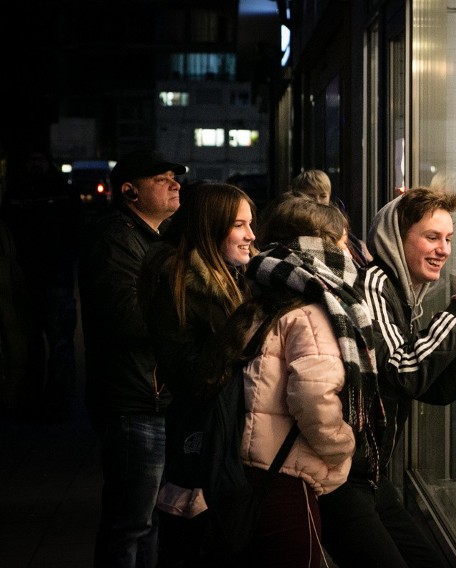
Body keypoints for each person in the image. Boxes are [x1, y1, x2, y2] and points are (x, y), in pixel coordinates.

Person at [318, 185, 456, 567]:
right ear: (397, 240)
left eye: (448, 239)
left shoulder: (402, 293)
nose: (444, 249)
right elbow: (405, 371)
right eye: (431, 237)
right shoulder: (374, 285)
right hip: (344, 480)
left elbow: (437, 389)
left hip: (372, 478)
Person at [205, 192, 379, 566]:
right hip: (287, 479)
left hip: (252, 467)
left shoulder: (264, 299)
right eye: (341, 240)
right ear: (320, 247)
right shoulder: (314, 310)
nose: (348, 251)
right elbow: (314, 398)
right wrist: (342, 445)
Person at [77, 149, 186, 568]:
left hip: (149, 395)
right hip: (133, 399)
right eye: (162, 179)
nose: (176, 184)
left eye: (175, 177)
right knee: (131, 523)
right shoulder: (116, 238)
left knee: (148, 519)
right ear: (130, 192)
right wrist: (185, 310)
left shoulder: (148, 238)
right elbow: (125, 316)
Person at [138, 181, 256, 566]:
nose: (251, 236)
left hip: (223, 436)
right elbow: (191, 375)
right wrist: (245, 328)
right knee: (195, 545)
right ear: (211, 226)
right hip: (198, 438)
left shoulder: (233, 276)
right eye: (240, 225)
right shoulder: (177, 280)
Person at [0, 148, 82, 420]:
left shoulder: (45, 193)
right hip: (31, 279)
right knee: (35, 344)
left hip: (51, 278)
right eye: (32, 159)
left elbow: (75, 230)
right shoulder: (24, 193)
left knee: (55, 344)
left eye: (39, 159)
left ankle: (53, 401)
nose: (36, 164)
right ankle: (38, 399)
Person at [288, 169, 372, 267]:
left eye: (323, 196)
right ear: (298, 197)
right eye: (311, 196)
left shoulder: (337, 220)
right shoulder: (294, 223)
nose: (318, 201)